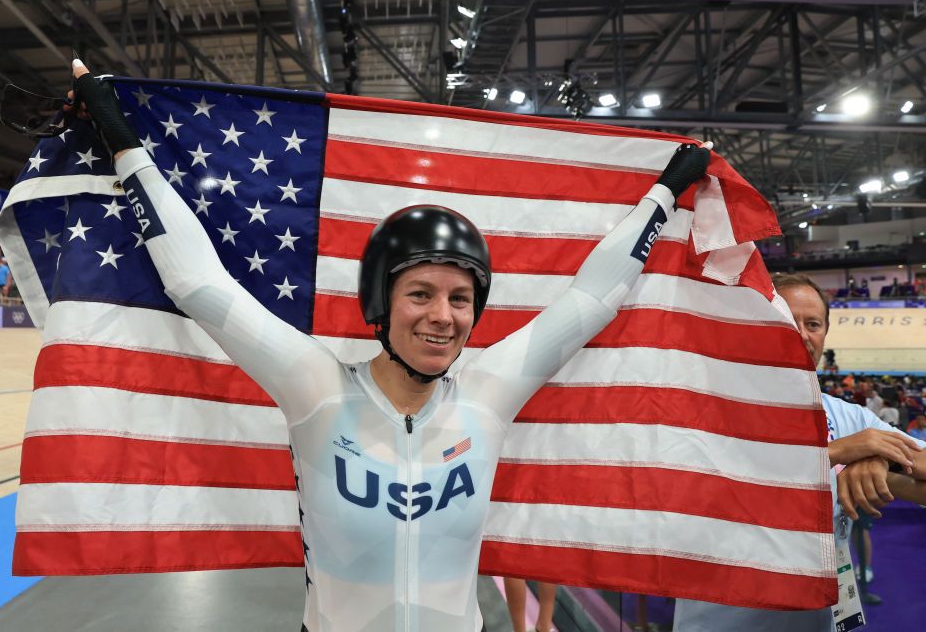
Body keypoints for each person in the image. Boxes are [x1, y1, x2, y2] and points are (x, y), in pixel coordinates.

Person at [70, 61, 710, 632]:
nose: (443, 316)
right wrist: (121, 138)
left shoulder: (490, 393)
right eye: (421, 294)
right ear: (381, 302)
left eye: (461, 299)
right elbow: (197, 283)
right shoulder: (314, 384)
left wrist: (664, 190)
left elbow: (589, 302)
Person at [673, 274, 926, 632]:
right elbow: (728, 491)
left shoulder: (847, 416)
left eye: (813, 324)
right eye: (789, 321)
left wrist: (881, 465)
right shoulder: (708, 408)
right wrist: (840, 452)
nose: (803, 334)